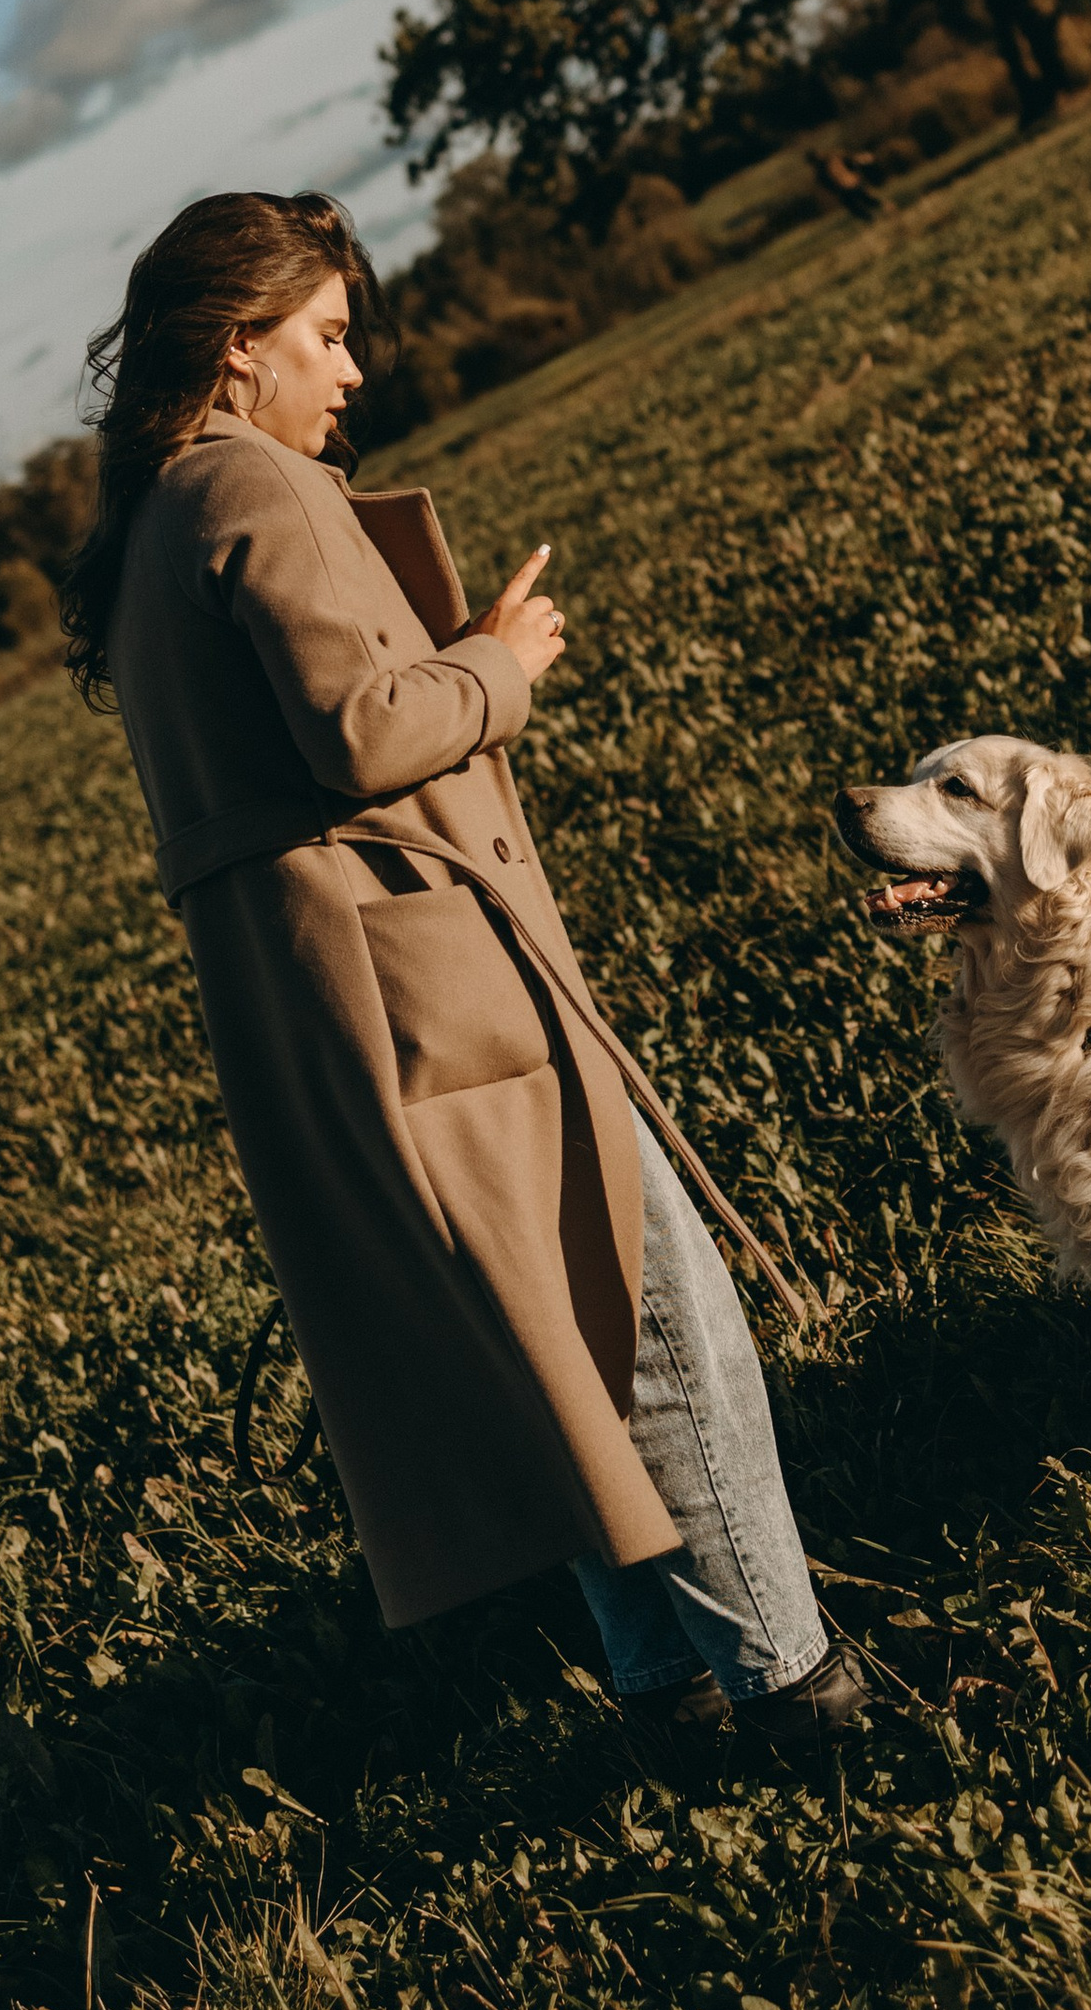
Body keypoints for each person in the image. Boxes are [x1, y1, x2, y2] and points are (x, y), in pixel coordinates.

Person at [60, 188, 864, 1746]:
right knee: (650, 1318)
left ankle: (669, 1691)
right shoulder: (256, 486)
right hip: (430, 975)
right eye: (327, 335)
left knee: (538, 1340)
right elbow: (361, 732)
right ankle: (798, 1683)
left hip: (320, 998)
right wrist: (501, 663)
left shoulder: (155, 520)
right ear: (240, 350)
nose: (351, 371)